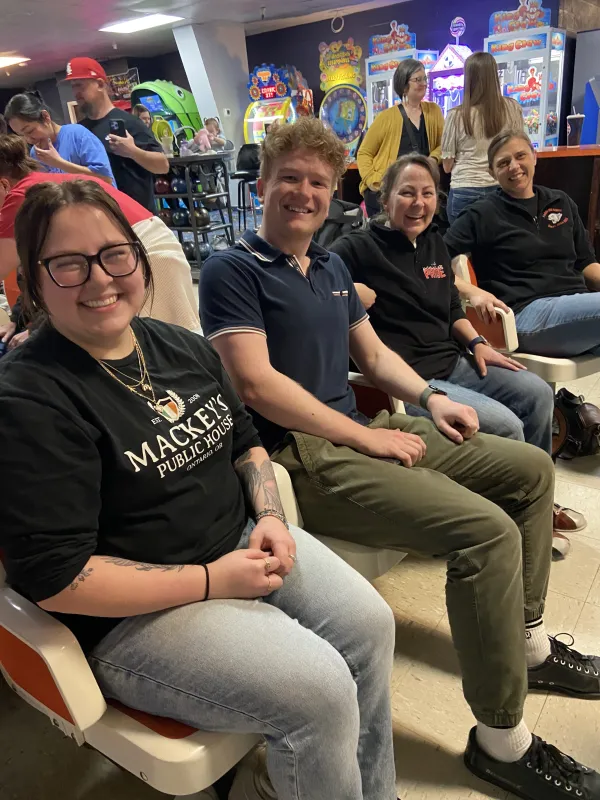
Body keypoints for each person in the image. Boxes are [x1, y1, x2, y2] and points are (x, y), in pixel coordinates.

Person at [200, 117, 600, 800]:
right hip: (303, 460)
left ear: (335, 192)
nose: (303, 192)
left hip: (361, 430)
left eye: (318, 182)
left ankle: (529, 645)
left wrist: (432, 398)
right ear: (262, 183)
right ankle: (502, 742)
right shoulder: (232, 269)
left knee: (531, 470)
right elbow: (257, 384)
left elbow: (376, 356)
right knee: (486, 532)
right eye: (289, 178)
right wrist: (368, 436)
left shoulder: (327, 266)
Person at [0, 179, 397, 800]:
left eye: (113, 254)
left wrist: (268, 514)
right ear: (34, 279)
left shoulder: (178, 345)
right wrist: (214, 581)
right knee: (318, 691)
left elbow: (245, 443)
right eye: (68, 264)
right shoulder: (30, 397)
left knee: (371, 624)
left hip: (239, 541)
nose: (100, 279)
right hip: (133, 617)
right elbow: (55, 577)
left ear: (139, 255)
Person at [330, 153, 582, 558]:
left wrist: (479, 344)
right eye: (407, 193)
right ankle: (509, 526)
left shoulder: (433, 243)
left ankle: (536, 506)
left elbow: (451, 310)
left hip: (453, 360)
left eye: (427, 193)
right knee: (504, 425)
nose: (419, 203)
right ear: (385, 197)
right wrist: (349, 294)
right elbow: (312, 278)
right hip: (408, 380)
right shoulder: (355, 248)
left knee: (537, 394)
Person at [0, 134, 200, 332]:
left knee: (165, 345)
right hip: (139, 248)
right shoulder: (37, 184)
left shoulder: (20, 196)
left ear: (3, 184)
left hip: (142, 252)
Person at [445, 130, 600, 357]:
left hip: (576, 303)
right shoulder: (482, 213)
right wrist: (471, 292)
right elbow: (432, 261)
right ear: (492, 172)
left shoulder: (561, 201)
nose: (514, 166)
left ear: (534, 157)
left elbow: (586, 263)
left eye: (520, 156)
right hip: (524, 314)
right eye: (503, 162)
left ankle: (563, 396)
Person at [63, 57, 169, 211]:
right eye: (72, 87)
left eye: (80, 85)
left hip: (137, 217)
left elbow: (162, 166)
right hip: (102, 217)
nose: (75, 93)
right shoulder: (79, 130)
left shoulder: (130, 123)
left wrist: (132, 151)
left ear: (100, 84)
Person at [441, 52, 523, 223]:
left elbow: (447, 166)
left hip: (464, 189)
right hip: (503, 187)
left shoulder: (456, 115)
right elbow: (520, 149)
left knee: (463, 248)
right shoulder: (512, 108)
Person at [357, 58, 444, 218]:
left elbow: (443, 144)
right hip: (386, 195)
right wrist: (373, 180)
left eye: (425, 78)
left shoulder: (434, 111)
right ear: (404, 85)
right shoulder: (386, 117)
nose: (423, 83)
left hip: (418, 192)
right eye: (418, 79)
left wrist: (433, 158)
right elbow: (364, 153)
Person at [4, 91, 115, 184]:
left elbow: (106, 179)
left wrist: (58, 163)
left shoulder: (77, 134)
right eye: (22, 135)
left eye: (30, 131)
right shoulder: (36, 152)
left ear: (45, 117)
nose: (28, 139)